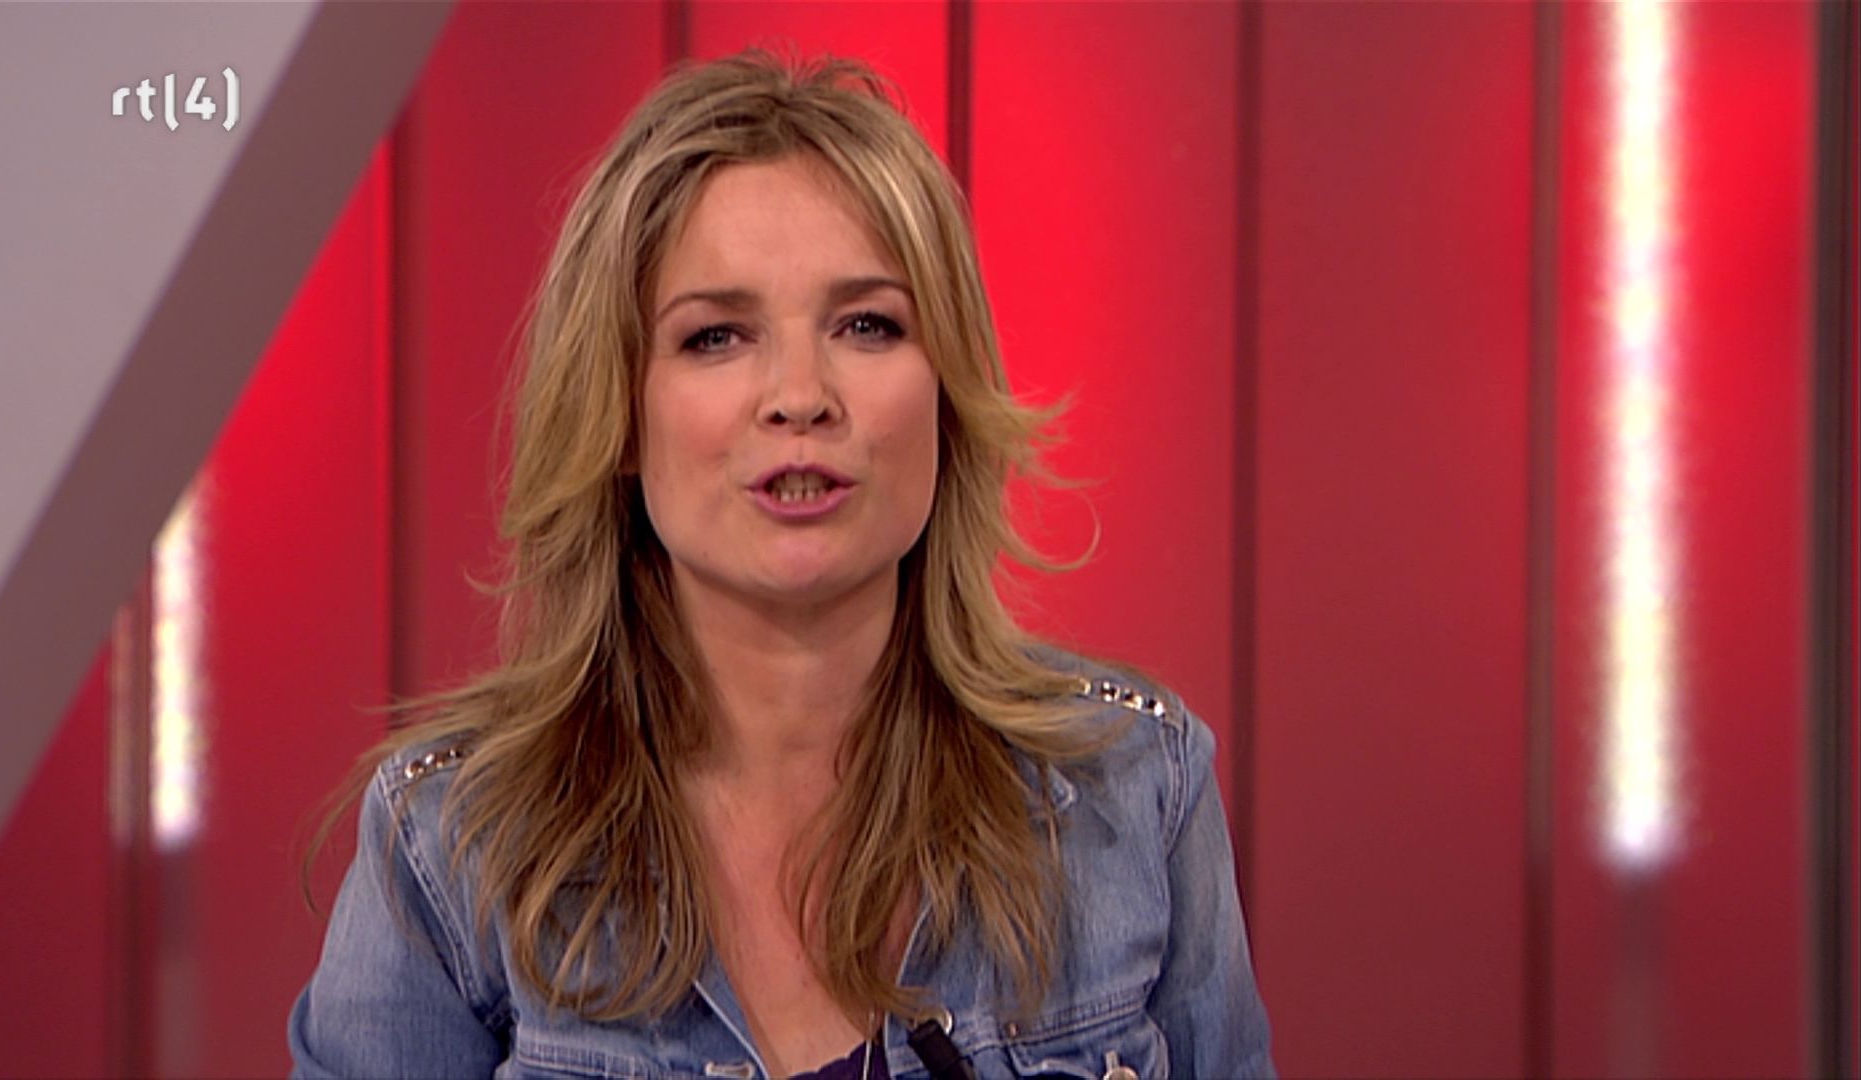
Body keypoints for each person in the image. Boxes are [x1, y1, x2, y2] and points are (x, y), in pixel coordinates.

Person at [289, 51, 1273, 1080]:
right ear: (619, 414)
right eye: (716, 336)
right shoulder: (450, 847)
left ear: (947, 395)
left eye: (867, 325)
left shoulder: (1134, 788)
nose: (800, 396)